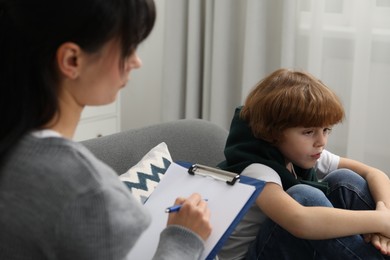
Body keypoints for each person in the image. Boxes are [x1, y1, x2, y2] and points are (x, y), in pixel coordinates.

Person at [0, 0, 211, 259]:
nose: (136, 62)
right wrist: (184, 237)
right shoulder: (85, 189)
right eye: (128, 48)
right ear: (72, 60)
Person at [217, 68, 390, 259]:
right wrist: (379, 221)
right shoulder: (257, 169)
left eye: (326, 130)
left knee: (344, 180)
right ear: (274, 132)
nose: (321, 141)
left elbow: (375, 174)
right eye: (309, 132)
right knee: (304, 197)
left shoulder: (303, 152)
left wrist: (385, 212)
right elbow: (299, 220)